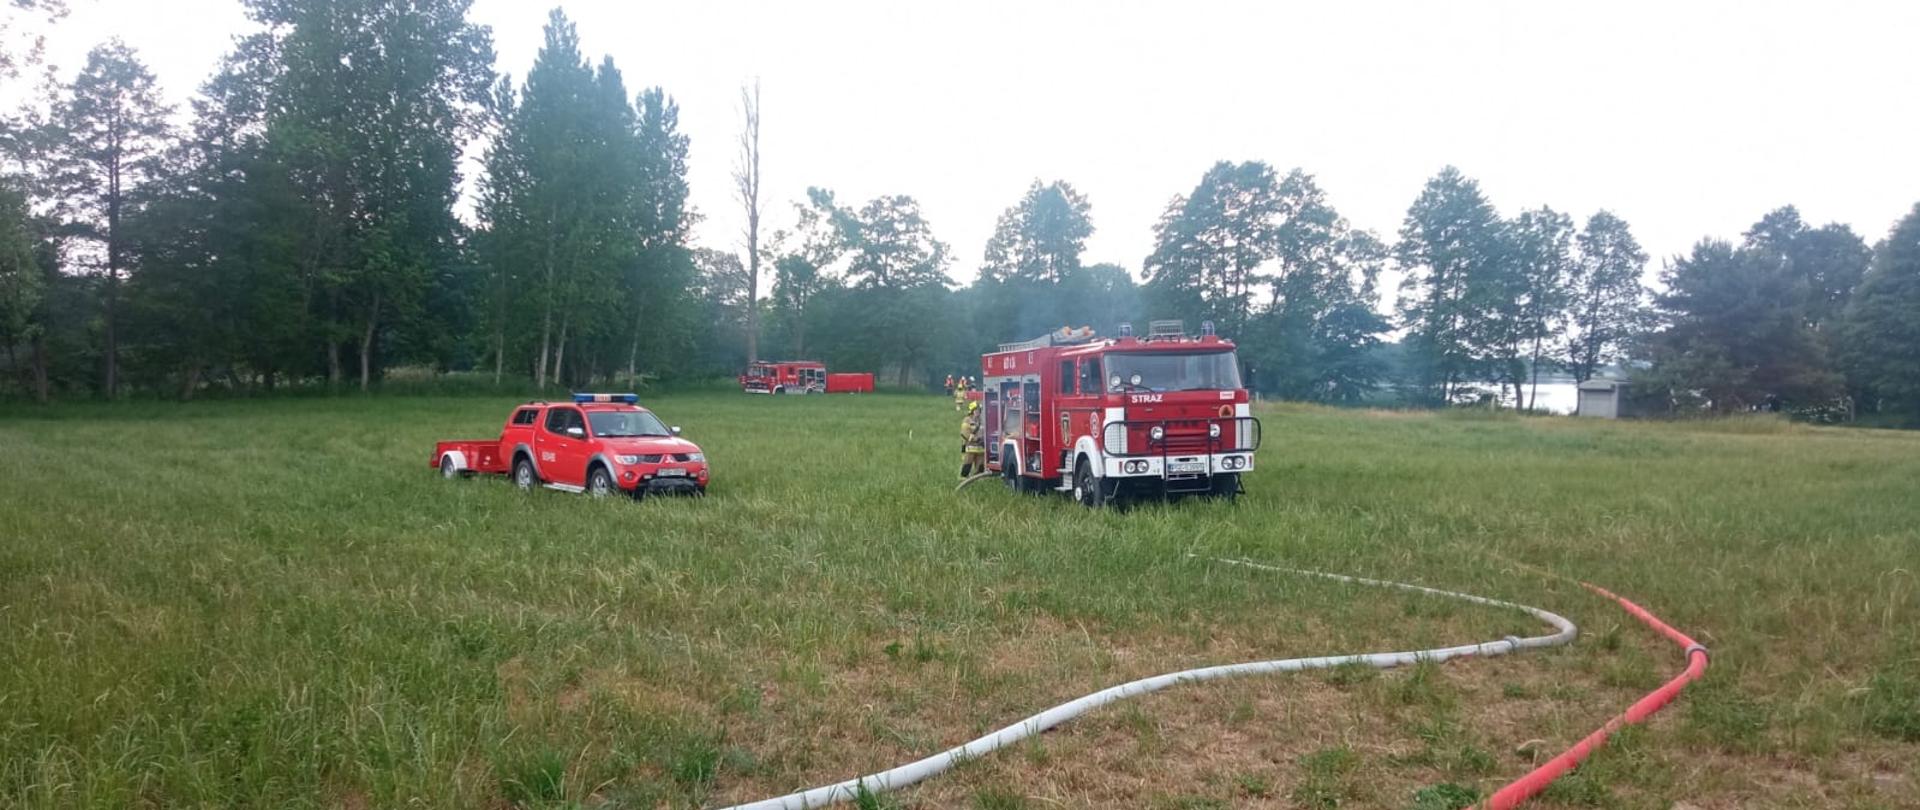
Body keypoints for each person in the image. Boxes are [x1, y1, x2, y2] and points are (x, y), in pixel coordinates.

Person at [960, 400, 986, 478]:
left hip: (981, 449)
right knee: (967, 465)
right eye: (976, 410)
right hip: (970, 448)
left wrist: (984, 440)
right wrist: (977, 439)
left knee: (980, 467)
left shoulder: (981, 421)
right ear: (972, 410)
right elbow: (965, 433)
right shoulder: (967, 420)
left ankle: (978, 480)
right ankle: (963, 479)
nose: (978, 412)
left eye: (979, 410)